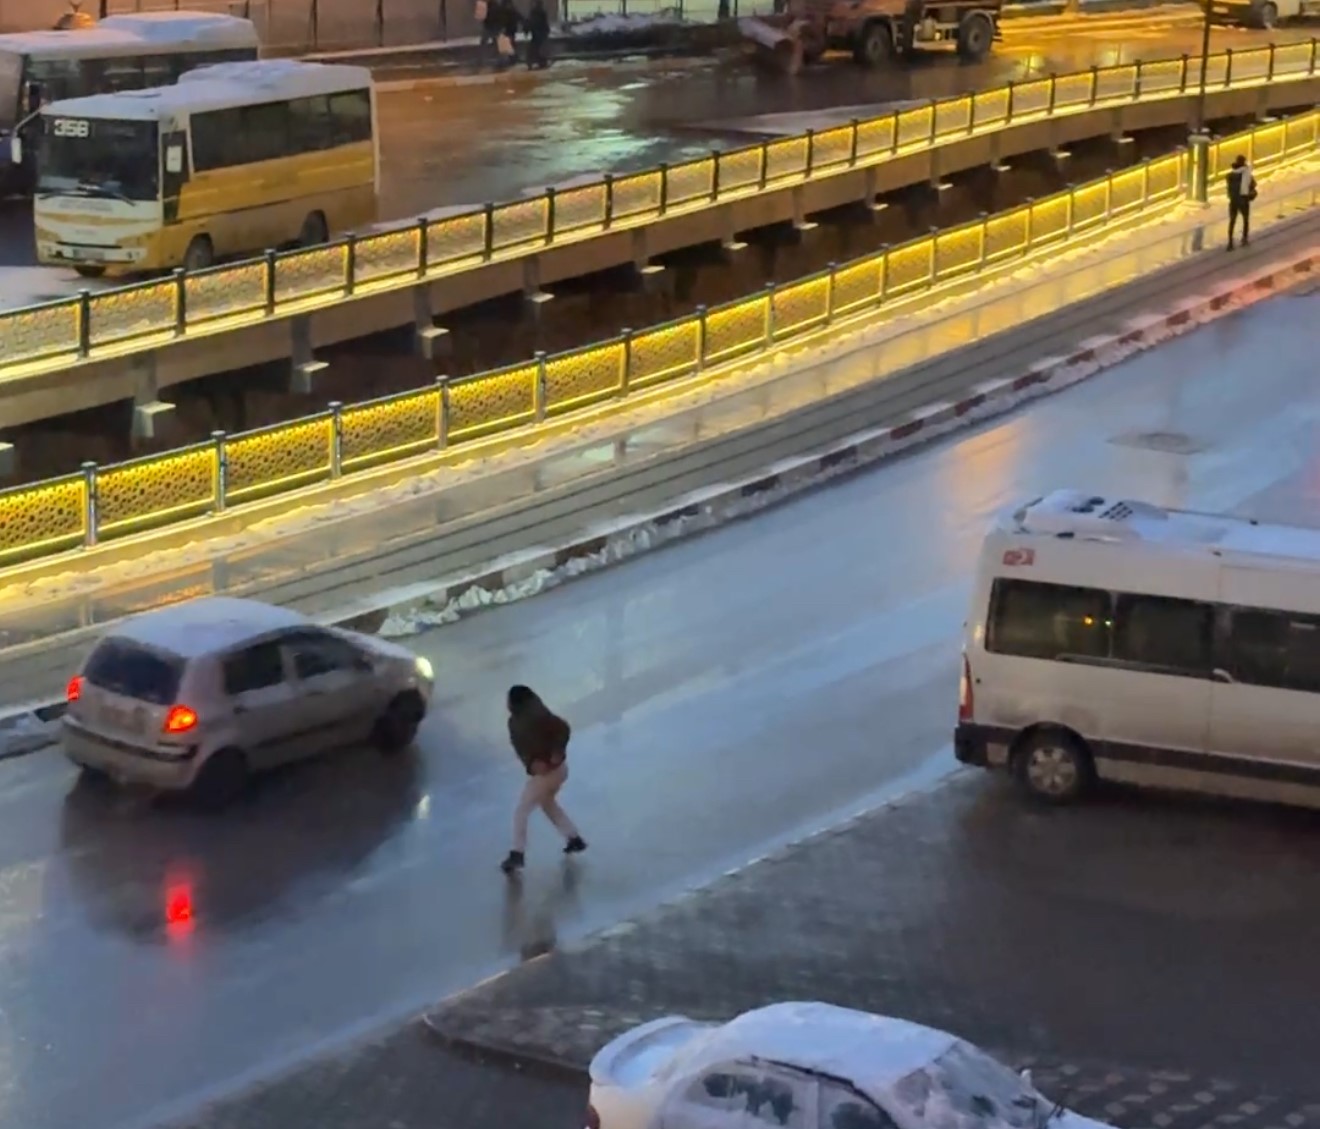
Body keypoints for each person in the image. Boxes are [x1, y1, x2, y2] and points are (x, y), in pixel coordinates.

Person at [501, 684, 586, 874]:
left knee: (521, 811)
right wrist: (533, 762)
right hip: (556, 770)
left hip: (548, 773)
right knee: (548, 804)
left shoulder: (532, 718)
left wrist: (550, 755)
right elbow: (523, 749)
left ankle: (517, 853)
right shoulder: (530, 716)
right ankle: (573, 837)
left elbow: (562, 729)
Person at [1226, 154, 1256, 251]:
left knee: (1232, 221)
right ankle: (1244, 239)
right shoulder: (1246, 173)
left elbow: (1229, 189)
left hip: (1233, 201)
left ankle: (1230, 242)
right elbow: (1253, 184)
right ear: (1243, 162)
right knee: (1245, 219)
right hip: (1243, 199)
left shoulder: (1229, 175)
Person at [526, 0, 550, 70]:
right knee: (540, 49)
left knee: (534, 48)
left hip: (536, 33)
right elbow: (544, 23)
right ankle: (542, 62)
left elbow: (531, 22)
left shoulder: (533, 13)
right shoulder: (542, 12)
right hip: (541, 33)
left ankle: (531, 62)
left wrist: (527, 29)